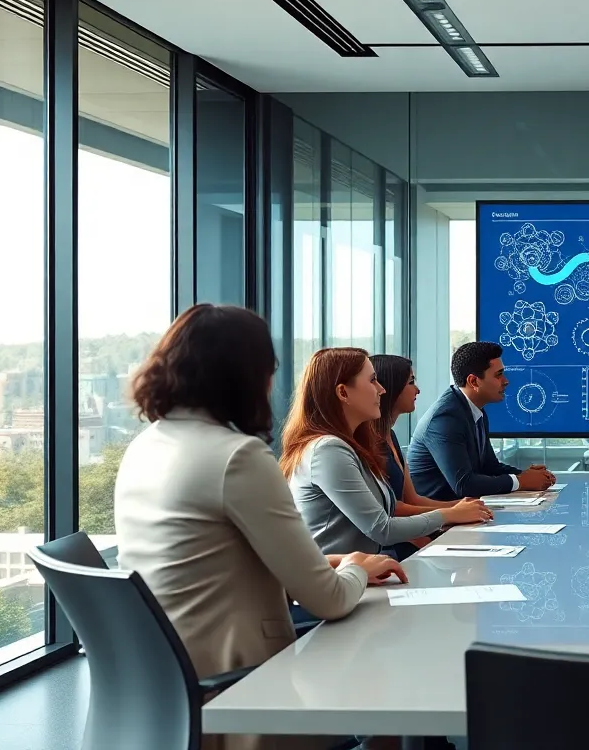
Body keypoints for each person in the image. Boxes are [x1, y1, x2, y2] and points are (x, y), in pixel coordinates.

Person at [115, 305, 404, 750]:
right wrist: (358, 569)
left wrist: (340, 561)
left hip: (167, 686)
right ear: (248, 377)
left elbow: (211, 566)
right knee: (391, 681)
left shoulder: (145, 447)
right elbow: (327, 599)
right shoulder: (238, 457)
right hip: (243, 690)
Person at [282, 348, 492, 556]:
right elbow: (382, 529)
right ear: (343, 392)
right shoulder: (327, 451)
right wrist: (449, 515)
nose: (381, 390)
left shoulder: (351, 446)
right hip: (339, 582)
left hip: (363, 572)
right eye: (372, 381)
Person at [408, 341, 555, 501]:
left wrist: (525, 475)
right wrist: (521, 481)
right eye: (498, 375)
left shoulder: (475, 411)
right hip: (440, 519)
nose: (506, 381)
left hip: (465, 513)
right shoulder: (445, 418)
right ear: (473, 381)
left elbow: (489, 466)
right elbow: (464, 484)